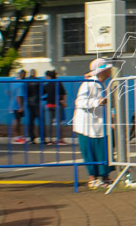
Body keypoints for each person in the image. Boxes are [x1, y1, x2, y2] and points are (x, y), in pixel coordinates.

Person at [74, 58, 114, 189]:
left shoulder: (101, 84)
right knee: (91, 152)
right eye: (108, 69)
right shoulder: (88, 84)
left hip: (98, 125)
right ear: (102, 71)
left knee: (103, 151)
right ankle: (93, 179)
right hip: (88, 126)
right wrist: (97, 102)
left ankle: (104, 177)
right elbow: (79, 102)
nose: (110, 71)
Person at [43, 70, 68, 146]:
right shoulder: (58, 83)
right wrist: (64, 102)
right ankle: (60, 139)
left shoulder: (47, 85)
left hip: (49, 105)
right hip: (58, 105)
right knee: (58, 123)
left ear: (49, 76)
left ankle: (50, 139)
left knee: (50, 123)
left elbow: (44, 94)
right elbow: (64, 93)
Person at [25, 68, 43, 144]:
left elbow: (25, 91)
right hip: (37, 102)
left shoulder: (26, 81)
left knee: (31, 121)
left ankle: (32, 138)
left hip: (29, 102)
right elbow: (43, 90)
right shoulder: (39, 81)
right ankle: (42, 138)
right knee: (41, 121)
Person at [11, 69, 27, 143]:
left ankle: (19, 136)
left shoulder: (14, 81)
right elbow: (18, 96)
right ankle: (16, 137)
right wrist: (20, 106)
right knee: (17, 120)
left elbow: (8, 92)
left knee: (18, 120)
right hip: (17, 104)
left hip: (13, 103)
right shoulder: (20, 83)